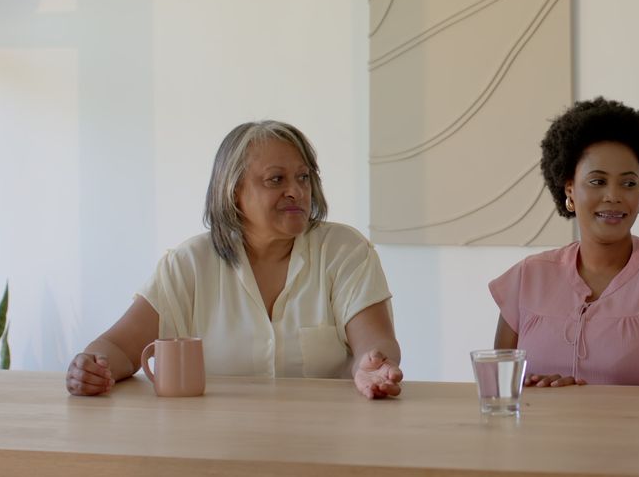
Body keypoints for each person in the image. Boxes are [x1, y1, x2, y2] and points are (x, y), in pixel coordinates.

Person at [66, 121, 403, 399]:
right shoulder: (190, 263)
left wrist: (373, 366)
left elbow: (374, 344)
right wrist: (91, 367)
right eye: (276, 179)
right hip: (215, 448)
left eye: (303, 177)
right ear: (233, 191)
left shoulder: (345, 250)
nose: (297, 191)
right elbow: (117, 347)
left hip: (327, 445)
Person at [489, 97, 639, 387]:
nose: (614, 195)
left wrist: (589, 402)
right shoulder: (526, 278)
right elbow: (500, 387)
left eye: (629, 183)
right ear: (570, 189)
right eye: (597, 181)